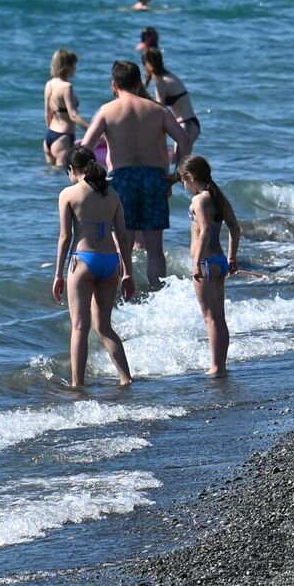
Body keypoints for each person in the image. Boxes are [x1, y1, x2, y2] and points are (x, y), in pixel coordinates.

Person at [80, 60, 183, 291]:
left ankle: (120, 296)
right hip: (154, 178)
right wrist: (176, 175)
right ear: (138, 83)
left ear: (114, 84)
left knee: (121, 246)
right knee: (155, 248)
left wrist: (90, 182)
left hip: (121, 181)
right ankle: (158, 295)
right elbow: (184, 139)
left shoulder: (107, 111)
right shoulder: (158, 110)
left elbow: (85, 148)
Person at [52, 147, 134, 388]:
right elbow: (123, 237)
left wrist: (58, 274)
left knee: (79, 327)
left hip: (83, 260)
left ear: (71, 169)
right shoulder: (112, 195)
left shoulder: (68, 194)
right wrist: (127, 272)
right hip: (110, 262)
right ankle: (125, 378)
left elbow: (65, 237)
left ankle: (78, 385)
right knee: (105, 327)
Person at [179, 154, 239, 377]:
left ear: (191, 176)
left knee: (210, 318)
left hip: (205, 262)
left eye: (183, 181)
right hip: (220, 260)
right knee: (219, 317)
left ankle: (216, 366)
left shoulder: (199, 199)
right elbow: (235, 228)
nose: (184, 187)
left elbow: (204, 230)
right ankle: (221, 365)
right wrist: (232, 258)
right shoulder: (218, 196)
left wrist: (196, 263)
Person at [140, 46, 199, 164]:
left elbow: (159, 109)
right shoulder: (169, 76)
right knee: (181, 165)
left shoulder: (161, 82)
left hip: (187, 125)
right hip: (190, 124)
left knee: (181, 166)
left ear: (148, 63)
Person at [42, 48, 87, 167]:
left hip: (50, 137)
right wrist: (92, 129)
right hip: (63, 138)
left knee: (49, 178)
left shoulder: (49, 84)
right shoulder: (66, 87)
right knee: (60, 179)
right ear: (67, 67)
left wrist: (52, 134)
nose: (75, 69)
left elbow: (47, 114)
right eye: (74, 65)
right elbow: (73, 116)